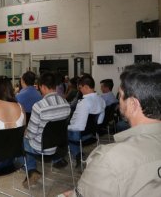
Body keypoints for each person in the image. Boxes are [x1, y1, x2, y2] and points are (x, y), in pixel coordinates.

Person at [61, 62, 161, 197]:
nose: (118, 100)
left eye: (120, 95)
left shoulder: (109, 161)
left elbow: (78, 126)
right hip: (92, 132)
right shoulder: (100, 100)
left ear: (132, 104)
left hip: (81, 134)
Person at [22, 72, 71, 187]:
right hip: (60, 147)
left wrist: (25, 132)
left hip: (42, 149)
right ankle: (51, 162)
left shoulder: (39, 106)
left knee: (23, 139)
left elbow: (31, 134)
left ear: (42, 86)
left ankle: (31, 169)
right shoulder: (66, 104)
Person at [68, 75, 105, 167]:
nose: (80, 90)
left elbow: (78, 127)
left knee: (60, 132)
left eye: (80, 88)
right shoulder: (101, 100)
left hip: (80, 136)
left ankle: (76, 155)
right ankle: (78, 154)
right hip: (92, 135)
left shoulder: (84, 103)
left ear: (86, 87)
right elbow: (99, 122)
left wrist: (66, 127)